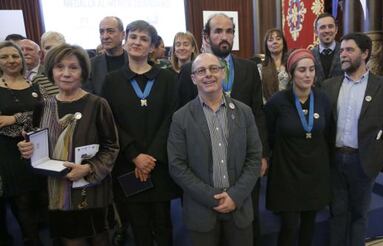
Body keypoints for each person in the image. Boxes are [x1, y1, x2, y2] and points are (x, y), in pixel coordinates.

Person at [178, 13, 269, 245]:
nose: (224, 36)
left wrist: (263, 154)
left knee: (247, 223)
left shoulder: (248, 68)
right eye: (218, 31)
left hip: (242, 163)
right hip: (203, 168)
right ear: (206, 36)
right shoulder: (191, 70)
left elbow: (258, 112)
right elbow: (181, 117)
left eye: (229, 31)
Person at [18, 44, 119, 245]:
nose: (65, 73)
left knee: (101, 241)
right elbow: (37, 148)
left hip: (92, 192)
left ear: (83, 72)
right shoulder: (42, 106)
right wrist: (27, 150)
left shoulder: (98, 104)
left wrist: (89, 168)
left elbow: (112, 147)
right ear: (51, 71)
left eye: (73, 67)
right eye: (59, 67)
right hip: (58, 195)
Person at [322, 32, 383, 246]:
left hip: (363, 162)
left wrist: (380, 150)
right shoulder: (329, 86)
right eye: (341, 50)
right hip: (334, 161)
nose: (343, 54)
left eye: (349, 50)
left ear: (365, 54)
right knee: (337, 214)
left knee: (359, 215)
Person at [101, 20, 180, 246]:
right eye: (133, 36)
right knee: (139, 225)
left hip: (159, 163)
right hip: (129, 165)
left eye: (144, 39)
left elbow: (172, 118)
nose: (137, 42)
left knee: (164, 223)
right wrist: (136, 156)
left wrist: (150, 158)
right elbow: (110, 122)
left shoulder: (167, 79)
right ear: (125, 40)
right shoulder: (111, 81)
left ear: (152, 46)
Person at [264, 49, 331, 246]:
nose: (308, 75)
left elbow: (328, 134)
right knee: (290, 226)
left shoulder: (323, 99)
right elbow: (267, 136)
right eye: (302, 70)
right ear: (292, 73)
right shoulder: (277, 102)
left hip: (315, 173)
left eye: (311, 70)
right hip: (286, 174)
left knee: (309, 225)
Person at [0, 41, 44, 245]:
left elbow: (44, 116)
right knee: (22, 201)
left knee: (40, 199)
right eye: (4, 57)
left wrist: (14, 118)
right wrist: (24, 121)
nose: (11, 60)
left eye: (15, 56)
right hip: (8, 152)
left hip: (39, 148)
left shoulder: (35, 86)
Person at [87, 16, 127, 95]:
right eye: (101, 32)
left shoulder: (135, 61)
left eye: (110, 31)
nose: (105, 36)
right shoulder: (91, 65)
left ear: (123, 35)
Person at [311, 13, 342, 86]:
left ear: (336, 29)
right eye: (322, 27)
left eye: (330, 26)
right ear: (315, 31)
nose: (327, 30)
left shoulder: (344, 52)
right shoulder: (310, 55)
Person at [259, 28, 289, 102]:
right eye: (270, 40)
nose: (275, 42)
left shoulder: (291, 65)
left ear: (283, 42)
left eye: (278, 39)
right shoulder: (260, 68)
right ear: (266, 45)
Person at [31, 31, 65, 96]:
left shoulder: (75, 74)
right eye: (48, 48)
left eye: (57, 48)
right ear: (42, 52)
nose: (52, 51)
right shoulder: (38, 80)